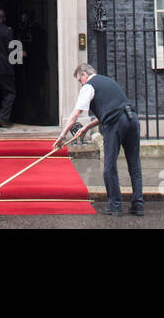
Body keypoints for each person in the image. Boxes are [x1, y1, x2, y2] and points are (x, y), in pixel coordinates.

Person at [54, 63, 143, 216]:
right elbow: (114, 109)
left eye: (79, 80)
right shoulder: (108, 81)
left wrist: (62, 136)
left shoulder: (88, 86)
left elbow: (75, 114)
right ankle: (138, 205)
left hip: (115, 124)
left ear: (84, 75)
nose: (80, 84)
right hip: (132, 119)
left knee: (109, 165)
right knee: (134, 164)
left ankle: (115, 206)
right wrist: (86, 127)